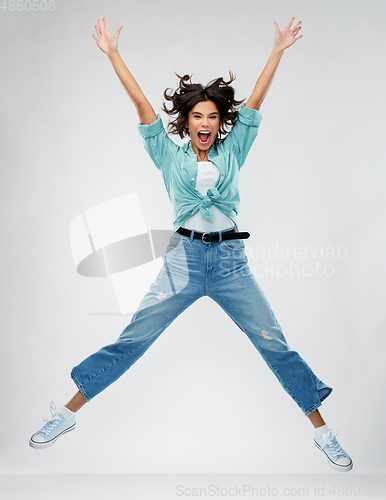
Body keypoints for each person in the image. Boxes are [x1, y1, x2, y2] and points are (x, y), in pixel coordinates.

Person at [29, 16, 353, 472]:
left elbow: (257, 99)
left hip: (230, 263)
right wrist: (113, 54)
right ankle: (64, 415)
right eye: (197, 116)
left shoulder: (234, 148)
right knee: (134, 340)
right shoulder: (168, 152)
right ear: (187, 121)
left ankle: (324, 433)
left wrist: (277, 50)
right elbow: (142, 104)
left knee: (272, 343)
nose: (205, 122)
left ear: (220, 123)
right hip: (182, 260)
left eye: (213, 116)